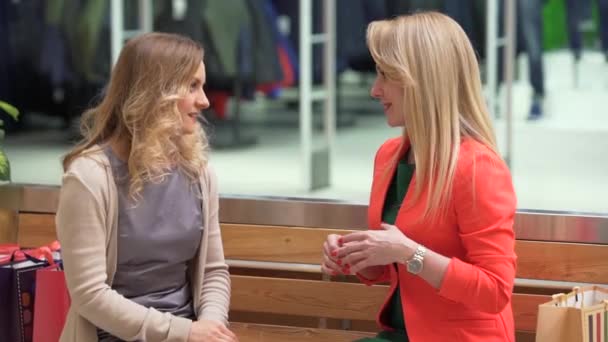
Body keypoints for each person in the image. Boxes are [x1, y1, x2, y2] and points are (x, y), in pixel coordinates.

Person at [322, 12, 517, 342]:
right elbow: (392, 268)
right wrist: (355, 256)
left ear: (420, 79)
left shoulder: (477, 167)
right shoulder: (389, 156)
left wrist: (409, 253)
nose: (374, 90)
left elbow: (495, 291)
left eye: (384, 76)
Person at [56, 32, 237, 342]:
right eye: (192, 86)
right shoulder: (89, 177)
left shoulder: (199, 173)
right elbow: (90, 295)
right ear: (156, 91)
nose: (205, 100)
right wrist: (184, 333)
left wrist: (211, 328)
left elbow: (213, 272)